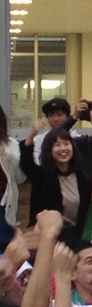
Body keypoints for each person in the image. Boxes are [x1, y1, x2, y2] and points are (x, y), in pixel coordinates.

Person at [19, 127, 91, 242]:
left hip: (76, 236)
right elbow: (26, 164)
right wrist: (32, 135)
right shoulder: (43, 176)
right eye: (57, 145)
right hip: (47, 237)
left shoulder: (82, 178)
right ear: (49, 150)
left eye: (66, 144)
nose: (63, 148)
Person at [0, 104, 26, 249]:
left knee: (5, 242)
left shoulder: (10, 144)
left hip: (3, 202)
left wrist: (6, 155)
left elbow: (20, 177)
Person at [34, 98, 79, 166]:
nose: (55, 119)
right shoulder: (39, 140)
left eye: (59, 115)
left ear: (68, 117)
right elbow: (37, 163)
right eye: (51, 116)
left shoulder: (76, 137)